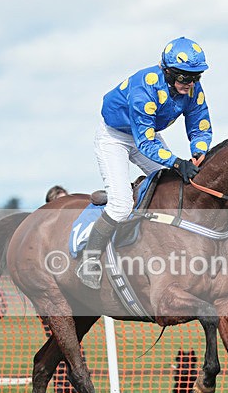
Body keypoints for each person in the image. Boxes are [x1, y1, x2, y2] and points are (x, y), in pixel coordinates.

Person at [77, 36, 213, 289]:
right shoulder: (145, 88)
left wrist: (198, 151)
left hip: (146, 134)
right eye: (184, 77)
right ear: (168, 72)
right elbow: (146, 143)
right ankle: (90, 257)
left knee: (176, 186)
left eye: (196, 77)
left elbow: (200, 125)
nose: (190, 83)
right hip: (115, 137)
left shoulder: (192, 89)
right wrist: (176, 162)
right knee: (120, 206)